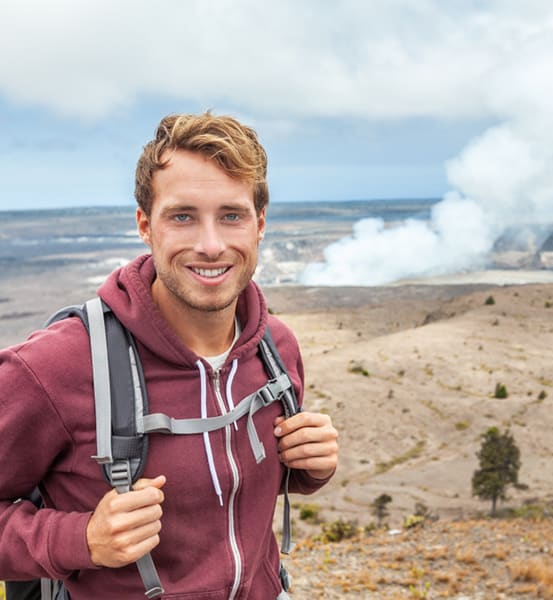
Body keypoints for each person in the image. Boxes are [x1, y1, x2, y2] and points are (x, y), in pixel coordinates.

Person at [0, 112, 338, 599]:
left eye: (232, 216)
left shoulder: (274, 347)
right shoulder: (55, 367)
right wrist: (82, 539)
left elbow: (224, 486)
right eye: (183, 216)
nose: (211, 245)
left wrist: (307, 471)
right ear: (145, 225)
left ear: (260, 225)